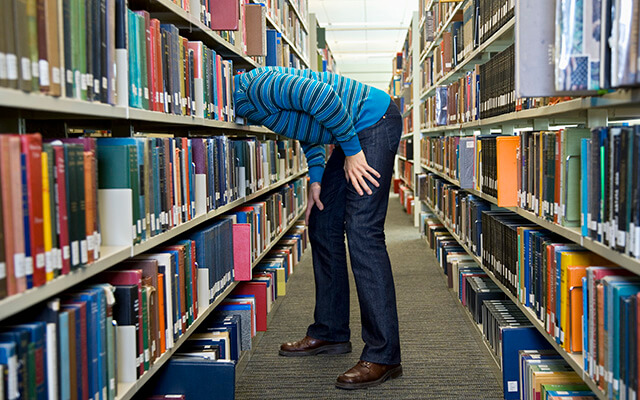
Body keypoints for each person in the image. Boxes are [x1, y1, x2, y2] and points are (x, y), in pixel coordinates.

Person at [233, 66, 402, 390]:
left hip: (374, 121)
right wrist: (316, 180)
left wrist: (352, 152)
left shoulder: (256, 87)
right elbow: (309, 126)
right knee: (322, 224)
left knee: (363, 231)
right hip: (347, 132)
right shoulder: (247, 103)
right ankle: (330, 332)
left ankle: (384, 354)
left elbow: (323, 98)